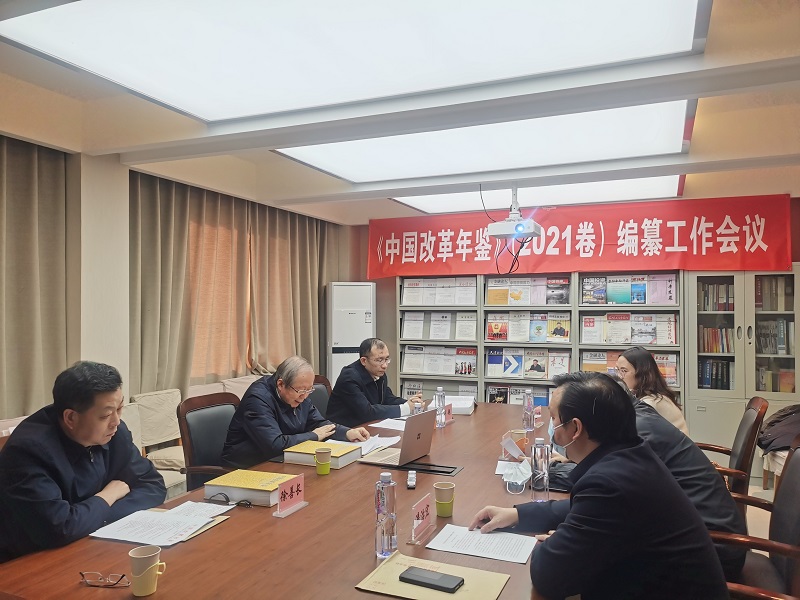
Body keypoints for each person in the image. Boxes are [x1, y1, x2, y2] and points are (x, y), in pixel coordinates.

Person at [469, 372, 728, 600]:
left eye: (554, 418)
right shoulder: (631, 453)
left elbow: (549, 576)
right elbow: (580, 507)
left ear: (575, 428)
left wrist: (556, 542)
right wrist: (518, 514)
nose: (552, 429)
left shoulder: (609, 483)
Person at [539, 379, 746, 578]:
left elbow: (552, 572)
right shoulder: (633, 426)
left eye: (554, 418)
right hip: (693, 537)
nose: (552, 425)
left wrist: (543, 472)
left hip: (712, 551)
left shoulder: (637, 435)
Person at [0, 361, 166, 563]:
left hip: (93, 547)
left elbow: (153, 486)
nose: (116, 422)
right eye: (106, 415)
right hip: (29, 562)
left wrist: (93, 517)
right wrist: (107, 496)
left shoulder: (115, 434)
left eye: (120, 409)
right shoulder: (28, 451)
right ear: (71, 418)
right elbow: (60, 528)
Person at [221, 356, 370, 468]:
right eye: (301, 391)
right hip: (248, 468)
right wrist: (314, 436)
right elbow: (275, 445)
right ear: (281, 384)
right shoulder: (257, 400)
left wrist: (347, 432)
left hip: (283, 461)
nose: (304, 397)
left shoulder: (299, 394)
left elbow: (318, 424)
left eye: (309, 390)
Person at [326, 338, 427, 427]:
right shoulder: (349, 378)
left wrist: (411, 403)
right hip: (344, 431)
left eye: (386, 359)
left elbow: (387, 399)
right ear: (364, 361)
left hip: (367, 427)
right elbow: (367, 412)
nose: (384, 365)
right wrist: (405, 408)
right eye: (379, 360)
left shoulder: (379, 373)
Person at [617, 346, 689, 434]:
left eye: (624, 371)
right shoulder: (655, 395)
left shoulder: (651, 402)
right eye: (618, 370)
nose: (619, 376)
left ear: (641, 373)